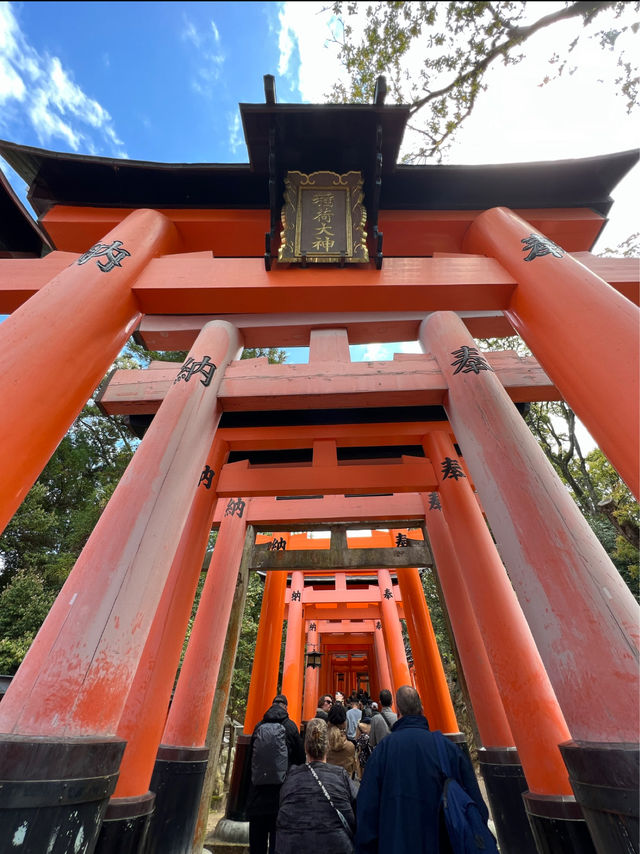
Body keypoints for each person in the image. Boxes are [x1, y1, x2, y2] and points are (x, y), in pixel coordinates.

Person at [355, 686, 490, 854]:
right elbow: (475, 804)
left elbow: (367, 809)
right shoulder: (447, 749)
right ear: (423, 710)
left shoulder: (383, 751)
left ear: (399, 713)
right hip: (443, 843)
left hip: (396, 843)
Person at [276, 717, 357, 853]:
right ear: (328, 747)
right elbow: (357, 810)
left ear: (305, 747)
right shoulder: (340, 775)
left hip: (292, 846)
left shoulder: (291, 776)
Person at [246, 694, 305, 854]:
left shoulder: (258, 727)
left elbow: (249, 763)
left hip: (257, 797)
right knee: (277, 844)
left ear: (271, 706)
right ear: (286, 707)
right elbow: (301, 760)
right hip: (281, 798)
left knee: (257, 845)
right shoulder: (291, 727)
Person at [326, 701, 358, 778]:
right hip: (343, 785)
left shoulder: (322, 743)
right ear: (344, 722)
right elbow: (352, 768)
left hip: (325, 782)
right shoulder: (350, 747)